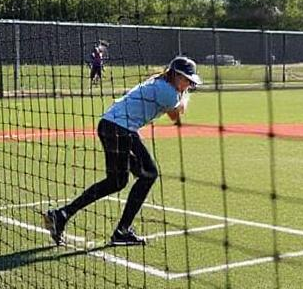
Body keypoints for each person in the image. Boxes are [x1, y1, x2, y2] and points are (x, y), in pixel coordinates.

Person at [43, 56, 202, 246]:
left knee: (117, 182)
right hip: (120, 128)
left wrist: (183, 93)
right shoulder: (168, 92)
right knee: (148, 174)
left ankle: (62, 215)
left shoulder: (161, 84)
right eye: (186, 79)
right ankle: (121, 231)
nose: (187, 84)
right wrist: (185, 96)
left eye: (190, 82)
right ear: (175, 74)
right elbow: (175, 115)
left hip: (111, 126)